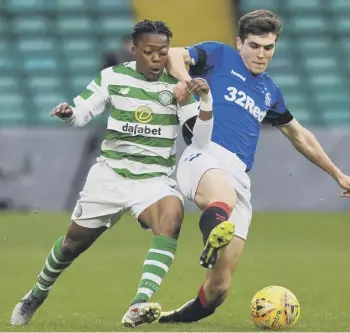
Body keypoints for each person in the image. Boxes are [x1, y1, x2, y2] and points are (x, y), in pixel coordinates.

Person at [158, 9, 350, 324]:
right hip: (204, 153)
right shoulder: (219, 55)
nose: (261, 54)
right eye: (254, 45)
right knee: (220, 199)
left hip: (240, 175)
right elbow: (173, 53)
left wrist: (337, 174)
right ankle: (214, 230)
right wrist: (188, 81)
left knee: (219, 288)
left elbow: (298, 134)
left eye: (268, 48)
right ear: (240, 42)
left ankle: (172, 320)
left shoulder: (270, 90)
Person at [10, 19, 212, 328]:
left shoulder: (178, 87)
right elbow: (83, 112)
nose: (157, 59)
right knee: (71, 245)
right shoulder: (113, 77)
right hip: (110, 176)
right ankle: (37, 293)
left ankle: (139, 303)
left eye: (163, 52)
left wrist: (200, 100)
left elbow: (198, 138)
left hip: (153, 179)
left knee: (171, 218)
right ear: (134, 51)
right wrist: (69, 113)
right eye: (149, 52)